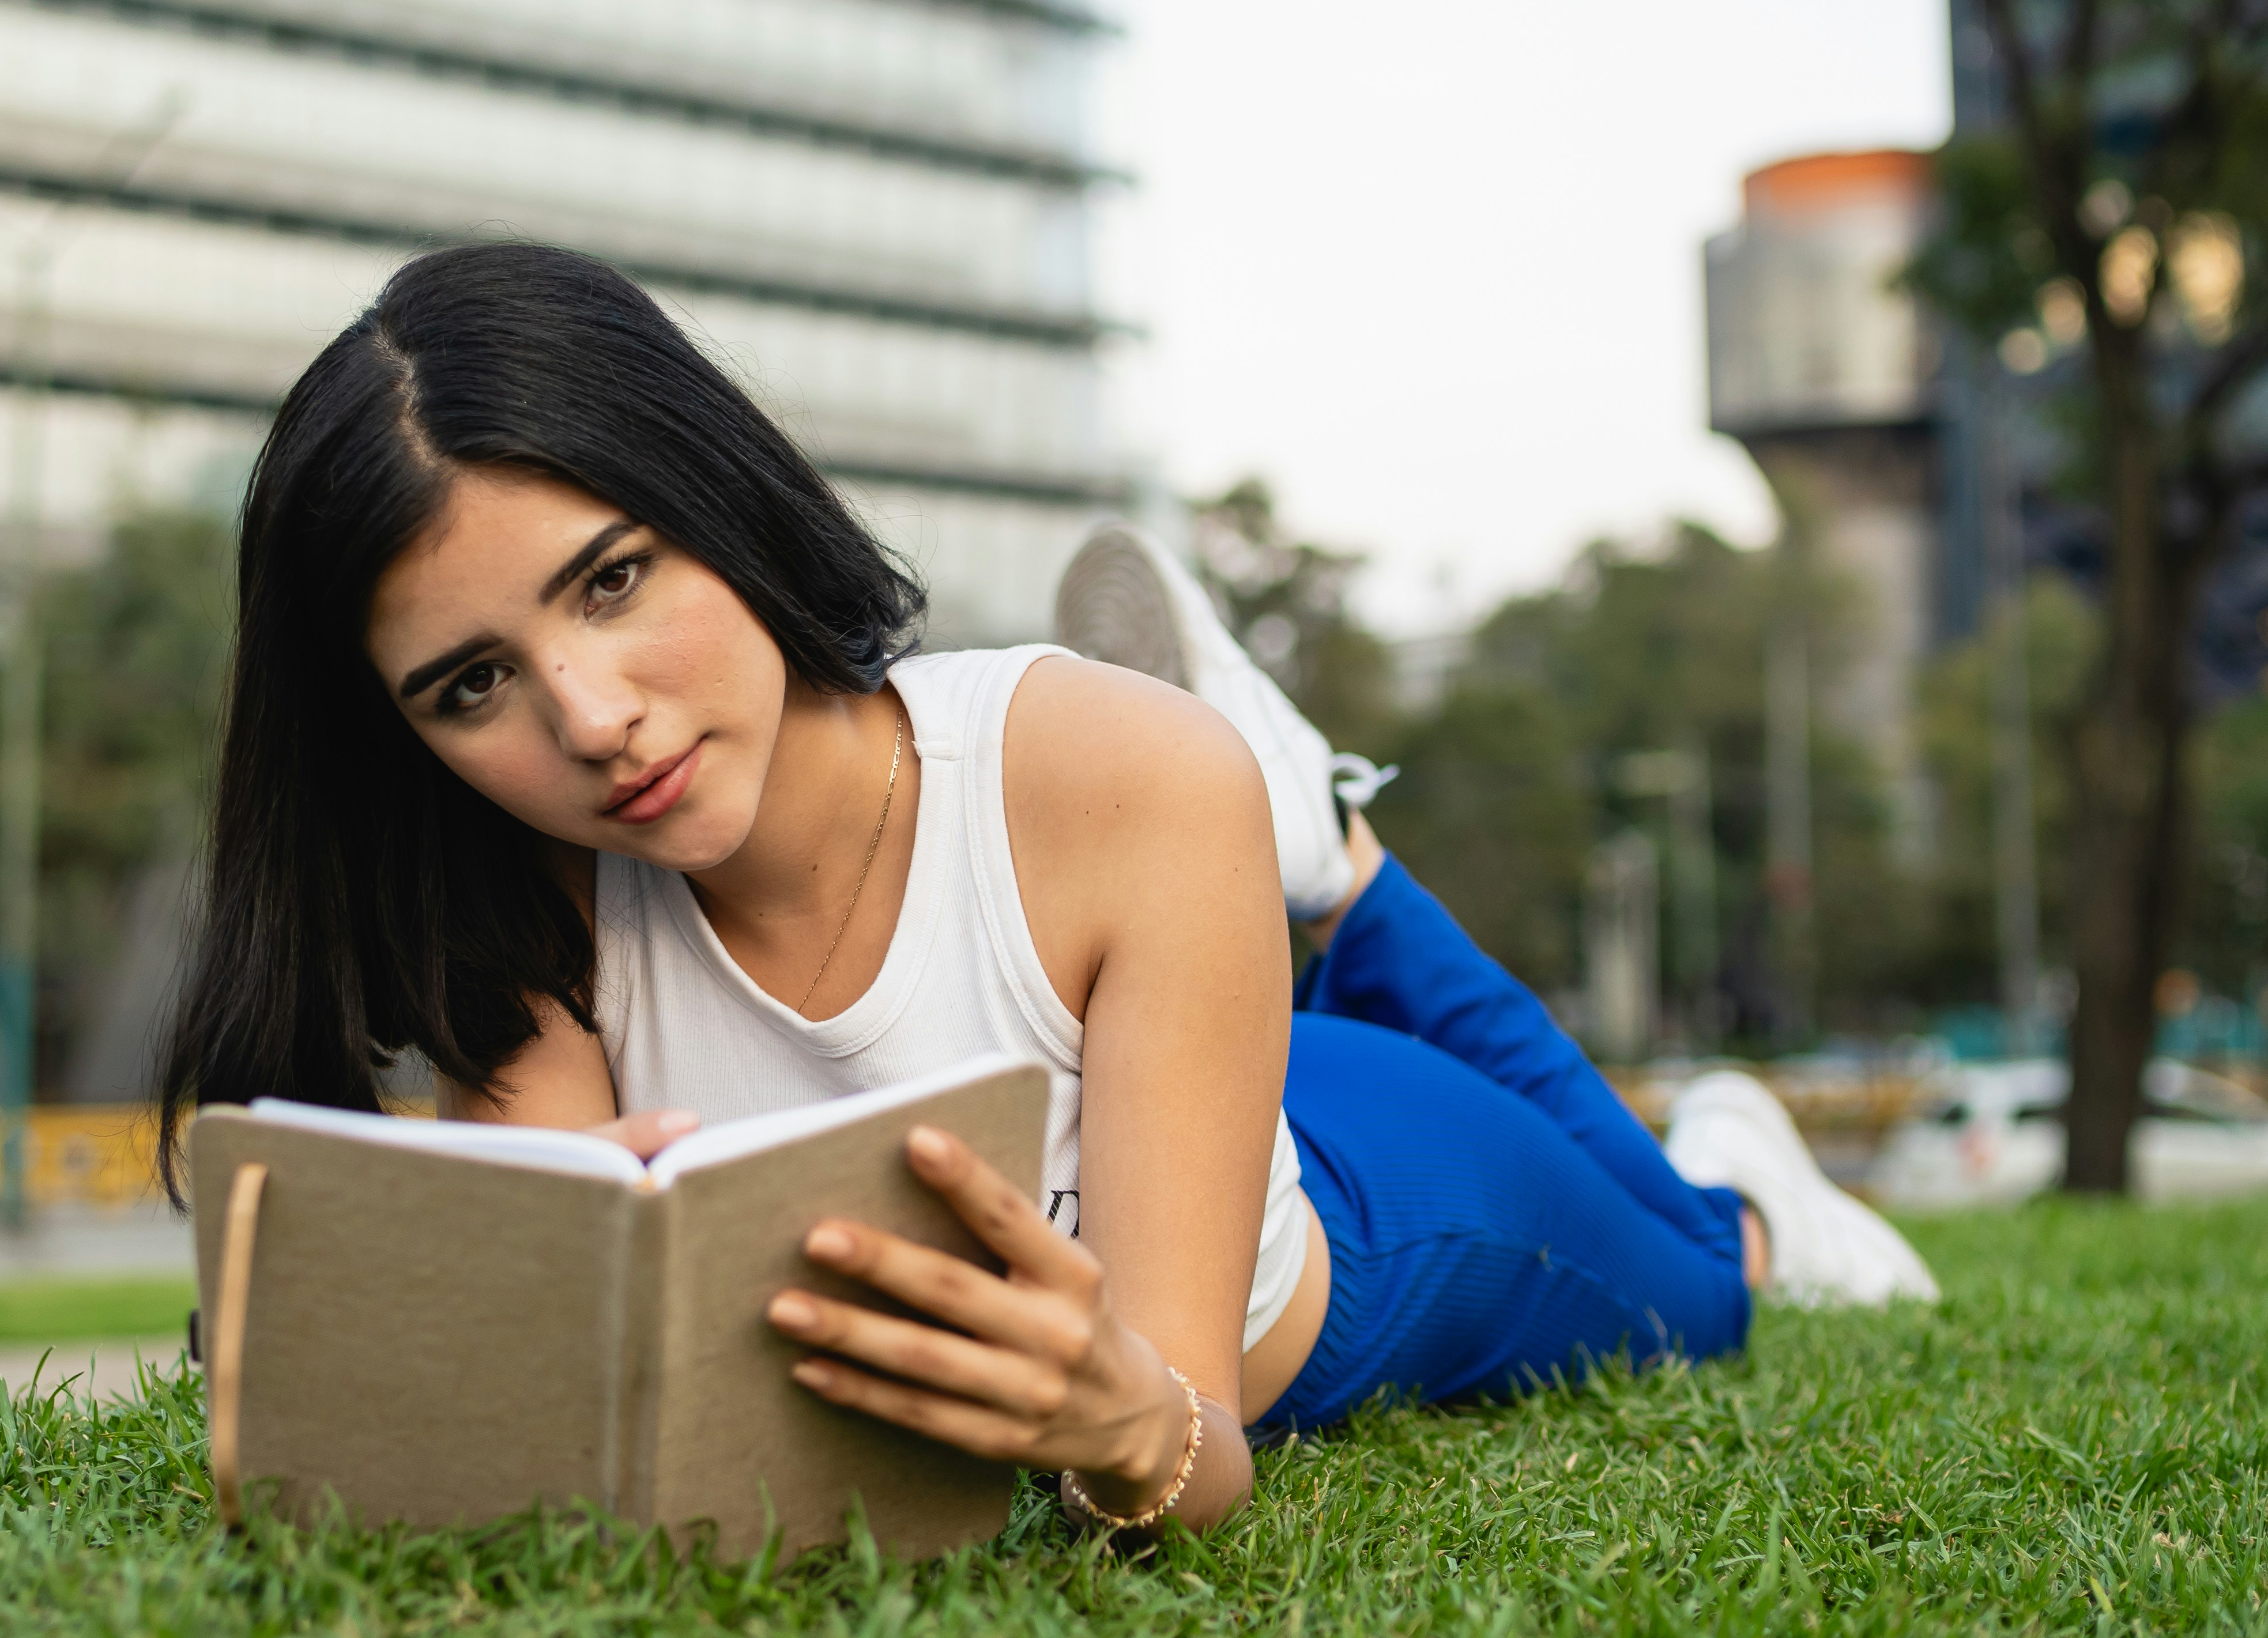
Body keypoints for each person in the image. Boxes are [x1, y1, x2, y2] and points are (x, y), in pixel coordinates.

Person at [161, 244, 1935, 1542]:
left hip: (1351, 1225)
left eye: (613, 579)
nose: (588, 717)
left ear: (711, 492)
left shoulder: (1110, 778)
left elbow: (1198, 1448)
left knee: (1701, 1285)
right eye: (470, 684)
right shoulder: (528, 917)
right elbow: (532, 1444)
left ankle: (1634, 1092)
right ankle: (1310, 846)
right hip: (1150, 1034)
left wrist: (1115, 1421)